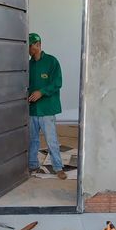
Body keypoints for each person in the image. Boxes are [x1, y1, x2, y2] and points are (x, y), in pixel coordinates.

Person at [28, 33, 66, 180]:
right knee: (32, 139)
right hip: (32, 109)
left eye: (30, 46)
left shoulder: (52, 62)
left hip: (47, 109)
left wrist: (42, 92)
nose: (28, 49)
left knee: (51, 140)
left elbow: (57, 83)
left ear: (38, 45)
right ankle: (32, 164)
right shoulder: (29, 65)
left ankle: (58, 167)